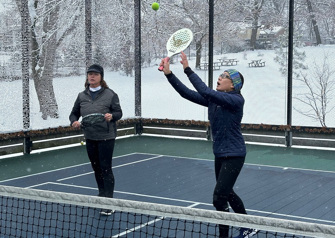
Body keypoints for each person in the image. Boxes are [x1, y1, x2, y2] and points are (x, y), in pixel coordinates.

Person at [159, 52, 257, 238]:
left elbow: (205, 91)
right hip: (220, 154)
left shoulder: (236, 100)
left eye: (225, 77)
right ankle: (249, 226)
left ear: (234, 85)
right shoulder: (215, 101)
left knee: (219, 197)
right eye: (221, 74)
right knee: (227, 194)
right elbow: (186, 93)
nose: (220, 77)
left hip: (235, 154)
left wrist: (188, 69)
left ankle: (225, 235)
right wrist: (169, 74)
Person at [69, 64, 122, 215]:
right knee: (96, 168)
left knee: (105, 168)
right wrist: (74, 121)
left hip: (106, 137)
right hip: (90, 137)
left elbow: (118, 112)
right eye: (90, 74)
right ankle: (101, 195)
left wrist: (112, 116)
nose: (92, 76)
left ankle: (109, 202)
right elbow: (73, 113)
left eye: (95, 74)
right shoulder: (81, 96)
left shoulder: (110, 94)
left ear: (101, 77)